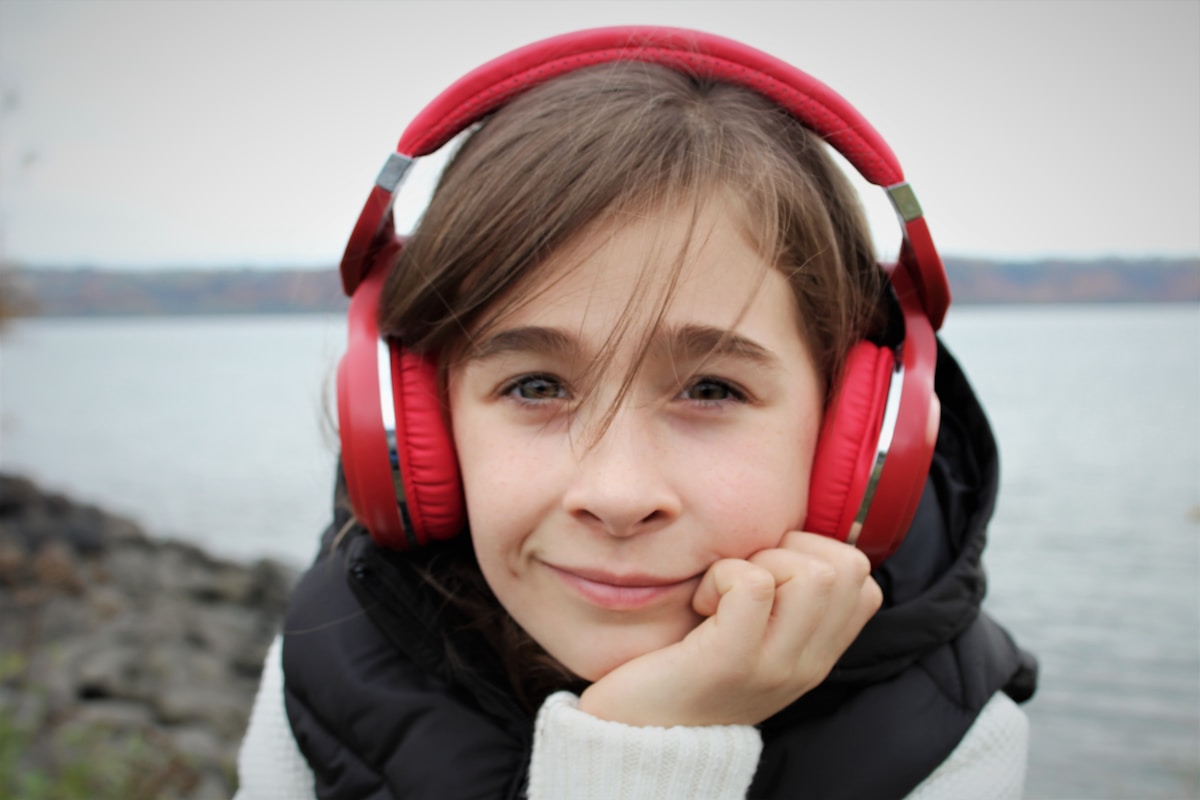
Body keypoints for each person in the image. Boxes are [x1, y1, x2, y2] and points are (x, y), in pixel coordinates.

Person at [235, 27, 1037, 800]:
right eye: (536, 387)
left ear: (853, 437)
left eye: (712, 390)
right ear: (423, 421)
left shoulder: (949, 738)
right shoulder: (331, 656)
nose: (618, 496)